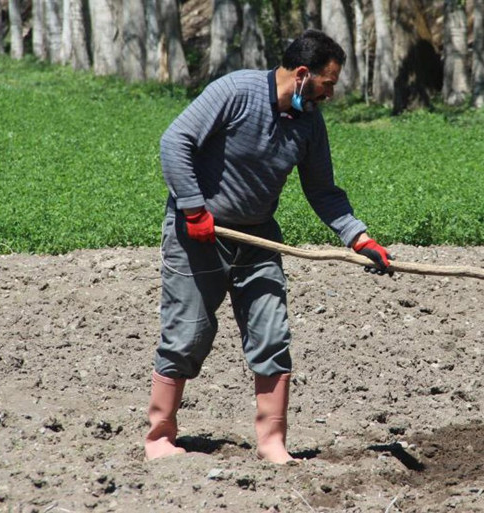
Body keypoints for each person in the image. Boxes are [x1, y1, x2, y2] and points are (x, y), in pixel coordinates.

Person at [144, 29, 393, 464]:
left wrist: (359, 237)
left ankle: (272, 441)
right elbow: (174, 141)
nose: (330, 95)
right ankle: (160, 435)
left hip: (257, 238)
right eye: (328, 84)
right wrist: (193, 208)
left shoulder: (309, 123)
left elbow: (323, 191)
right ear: (301, 74)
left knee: (271, 334)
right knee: (187, 335)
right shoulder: (235, 91)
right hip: (197, 234)